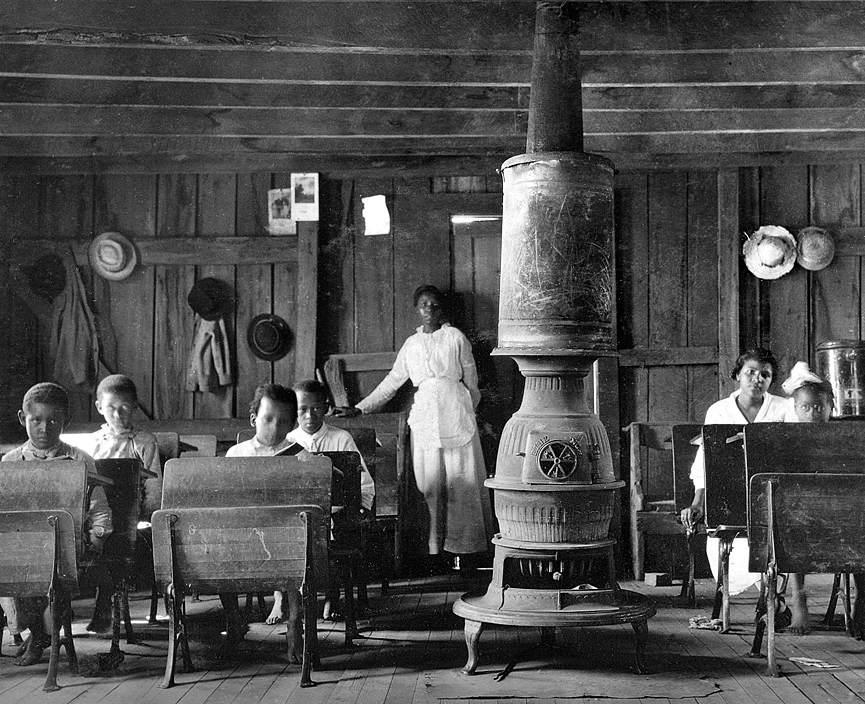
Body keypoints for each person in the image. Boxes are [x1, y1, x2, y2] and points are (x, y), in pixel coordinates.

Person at [335, 284, 493, 573]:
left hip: (456, 412)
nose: (429, 309)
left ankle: (466, 552)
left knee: (463, 480)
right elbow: (392, 382)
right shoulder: (411, 344)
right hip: (425, 417)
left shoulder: (455, 337)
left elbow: (472, 381)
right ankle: (434, 553)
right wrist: (360, 408)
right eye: (424, 304)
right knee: (429, 484)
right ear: (416, 310)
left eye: (434, 304)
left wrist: (470, 413)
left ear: (441, 309)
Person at [2, 382, 113, 665]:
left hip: (70, 550)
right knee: (14, 567)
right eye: (36, 420)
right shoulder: (11, 462)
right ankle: (38, 633)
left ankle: (41, 637)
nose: (44, 428)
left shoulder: (79, 460)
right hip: (23, 549)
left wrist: (96, 540)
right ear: (21, 419)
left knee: (50, 573)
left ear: (66, 422)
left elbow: (99, 510)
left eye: (54, 421)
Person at [680, 348, 789, 597]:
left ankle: (774, 595)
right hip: (731, 495)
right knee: (725, 530)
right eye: (750, 372)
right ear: (738, 374)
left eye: (765, 374)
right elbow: (705, 460)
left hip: (773, 495)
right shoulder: (718, 410)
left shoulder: (783, 408)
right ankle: (740, 594)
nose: (757, 379)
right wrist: (698, 502)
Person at [781, 362, 865, 637]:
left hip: (844, 513)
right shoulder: (787, 437)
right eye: (805, 407)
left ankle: (861, 604)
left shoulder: (849, 436)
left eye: (819, 407)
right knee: (792, 527)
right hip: (804, 516)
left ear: (831, 408)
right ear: (795, 409)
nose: (813, 413)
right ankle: (799, 598)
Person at [224, 383, 306, 661]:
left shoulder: (301, 456)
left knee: (298, 549)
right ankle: (233, 619)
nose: (275, 427)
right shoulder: (236, 455)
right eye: (268, 419)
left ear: (293, 423)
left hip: (286, 539)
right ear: (253, 420)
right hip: (244, 538)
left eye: (284, 421)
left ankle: (295, 625)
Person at [287, 379, 375, 622]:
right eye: (302, 409)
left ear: (326, 408)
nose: (309, 415)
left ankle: (332, 593)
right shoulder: (288, 440)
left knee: (333, 533)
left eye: (316, 408)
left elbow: (364, 484)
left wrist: (348, 507)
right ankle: (290, 598)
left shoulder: (341, 438)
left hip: (336, 512)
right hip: (298, 514)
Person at [87, 374, 162, 632]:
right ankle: (105, 600)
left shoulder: (144, 441)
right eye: (110, 408)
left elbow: (153, 486)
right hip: (101, 514)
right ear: (99, 408)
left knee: (118, 538)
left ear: (135, 407)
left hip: (134, 514)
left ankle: (105, 603)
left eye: (124, 408)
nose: (117, 415)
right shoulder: (94, 443)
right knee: (98, 536)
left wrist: (149, 514)